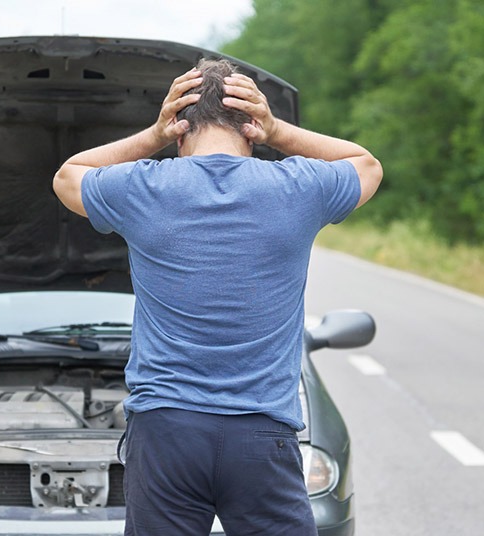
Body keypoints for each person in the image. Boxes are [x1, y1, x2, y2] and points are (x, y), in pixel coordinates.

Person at [53, 58, 382, 536]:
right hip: (261, 434)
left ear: (180, 128)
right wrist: (278, 131)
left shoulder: (144, 186)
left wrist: (153, 136)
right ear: (249, 129)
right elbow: (365, 165)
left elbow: (68, 176)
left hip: (166, 430)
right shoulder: (296, 188)